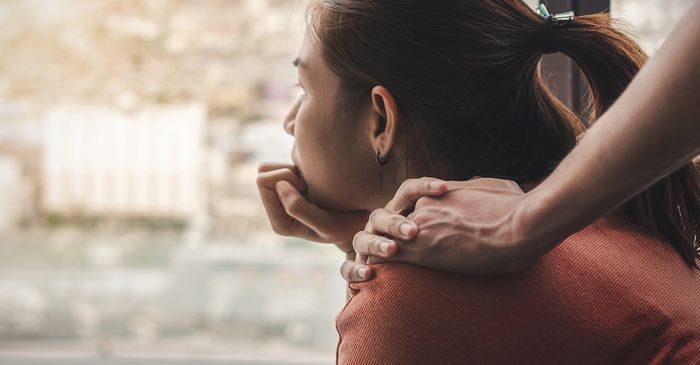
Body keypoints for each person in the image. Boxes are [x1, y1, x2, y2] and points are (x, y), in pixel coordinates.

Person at [256, 0, 700, 363]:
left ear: (380, 121)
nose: (290, 123)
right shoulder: (614, 219)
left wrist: (383, 277)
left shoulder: (407, 306)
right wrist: (362, 242)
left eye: (303, 90)